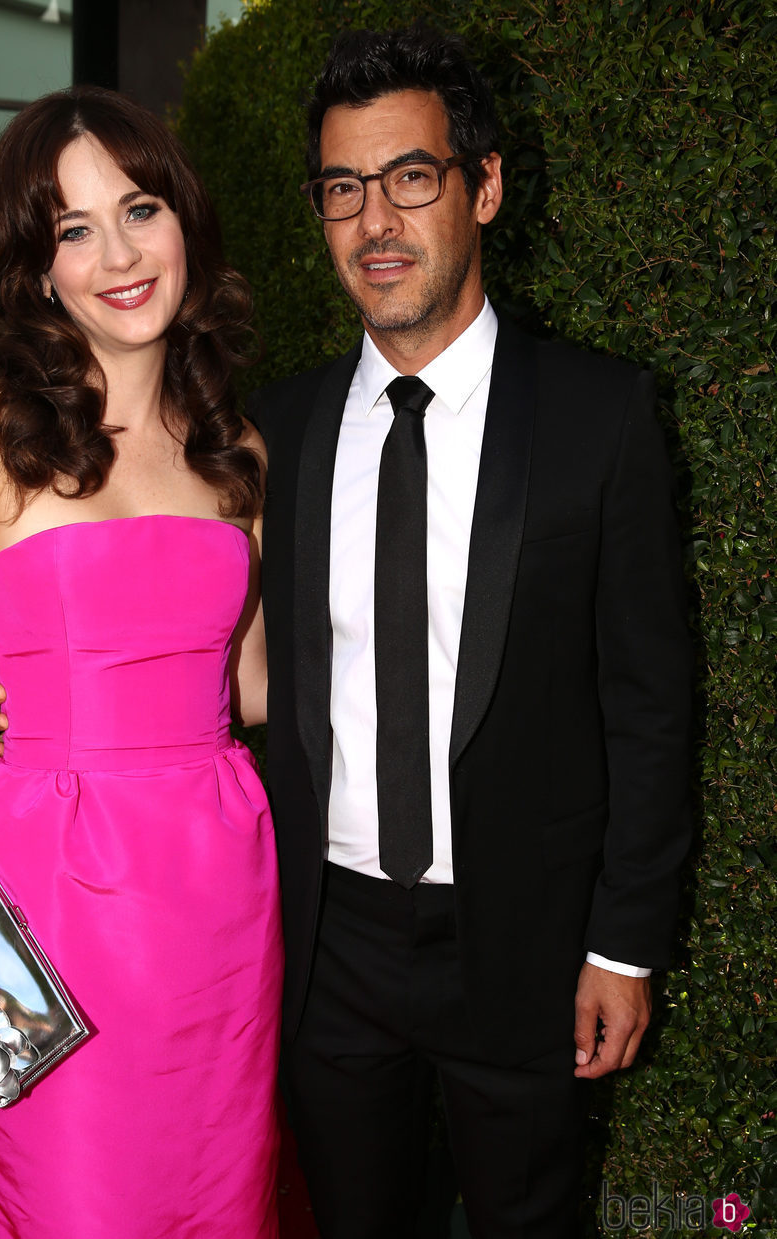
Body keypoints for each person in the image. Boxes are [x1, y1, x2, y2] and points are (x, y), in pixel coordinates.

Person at [247, 27, 692, 1239]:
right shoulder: (272, 433)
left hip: (526, 945)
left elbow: (648, 702)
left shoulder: (597, 415)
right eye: (343, 189)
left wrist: (622, 943)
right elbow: (234, 667)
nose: (374, 220)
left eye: (410, 176)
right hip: (328, 942)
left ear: (481, 187)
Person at [0, 86, 282, 1238]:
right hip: (33, 900)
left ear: (184, 220)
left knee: (219, 1202)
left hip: (219, 892)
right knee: (69, 1208)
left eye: (139, 208)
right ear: (36, 269)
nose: (118, 255)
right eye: (73, 230)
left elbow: (256, 688)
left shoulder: (233, 444)